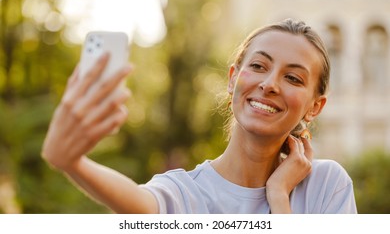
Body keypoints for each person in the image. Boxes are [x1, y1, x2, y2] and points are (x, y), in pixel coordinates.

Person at [41, 18, 357, 214]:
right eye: (259, 66)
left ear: (315, 106)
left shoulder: (327, 186)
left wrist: (278, 197)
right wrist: (71, 162)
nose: (269, 84)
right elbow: (140, 203)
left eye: (293, 78)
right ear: (234, 78)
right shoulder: (182, 194)